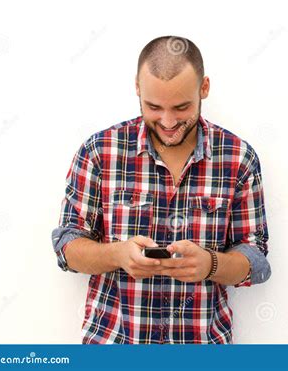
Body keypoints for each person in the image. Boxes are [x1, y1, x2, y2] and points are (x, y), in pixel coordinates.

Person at [51, 35, 271, 344]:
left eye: (182, 108)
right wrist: (118, 254)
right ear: (138, 89)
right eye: (154, 107)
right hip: (114, 342)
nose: (168, 122)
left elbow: (256, 259)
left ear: (204, 88)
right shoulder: (99, 151)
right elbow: (67, 247)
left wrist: (211, 264)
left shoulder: (238, 157)